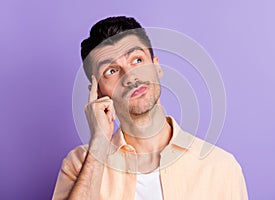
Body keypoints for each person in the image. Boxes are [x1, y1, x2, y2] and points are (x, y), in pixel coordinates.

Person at [52, 16, 248, 200]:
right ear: (97, 93)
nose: (130, 77)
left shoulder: (220, 167)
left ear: (157, 67)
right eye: (111, 71)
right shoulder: (79, 165)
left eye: (137, 60)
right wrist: (99, 145)